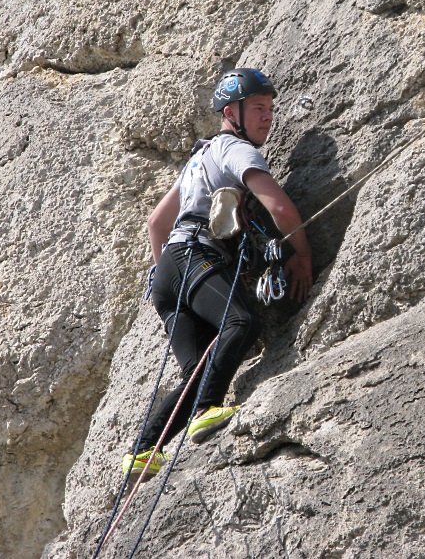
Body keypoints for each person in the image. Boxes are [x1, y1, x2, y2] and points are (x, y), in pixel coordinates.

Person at [122, 68, 313, 476]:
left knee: (197, 370)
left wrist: (169, 275)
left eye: (271, 109)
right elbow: (278, 206)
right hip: (195, 255)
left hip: (169, 273)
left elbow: (157, 222)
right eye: (259, 108)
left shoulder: (199, 158)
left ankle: (142, 451)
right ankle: (207, 409)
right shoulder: (233, 149)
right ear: (232, 112)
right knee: (241, 322)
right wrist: (302, 256)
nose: (268, 117)